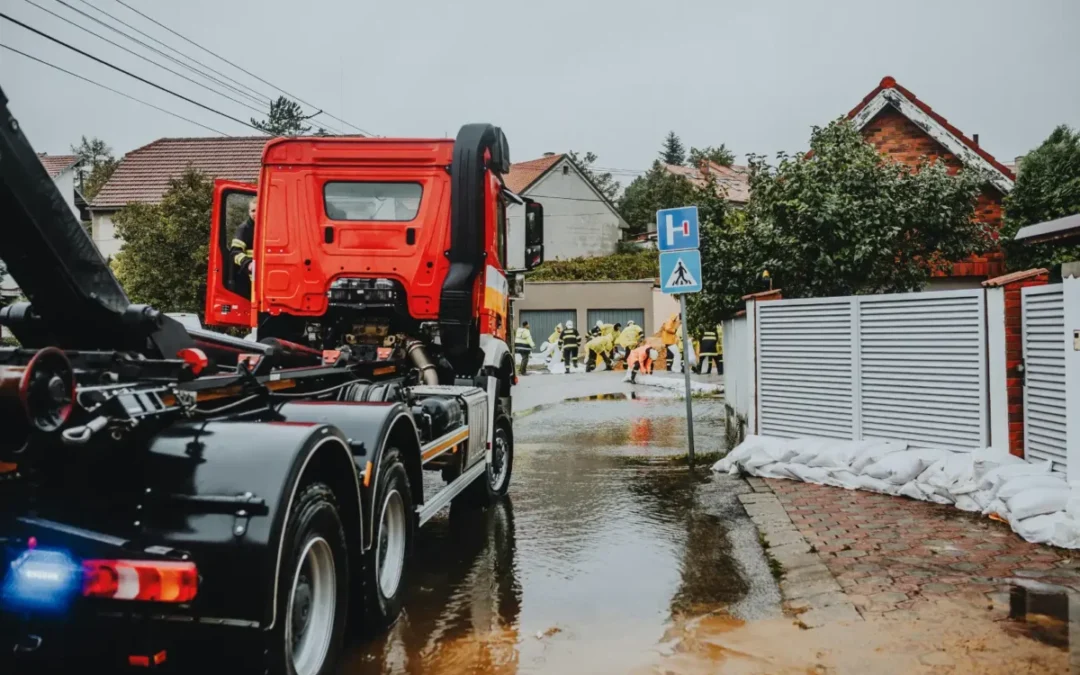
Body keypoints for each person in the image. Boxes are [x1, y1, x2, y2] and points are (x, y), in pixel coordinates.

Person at [229, 196, 257, 299]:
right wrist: (248, 263)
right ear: (249, 212)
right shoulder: (244, 229)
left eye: (258, 210)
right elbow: (234, 252)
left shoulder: (270, 227)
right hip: (248, 278)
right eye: (253, 210)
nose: (255, 214)